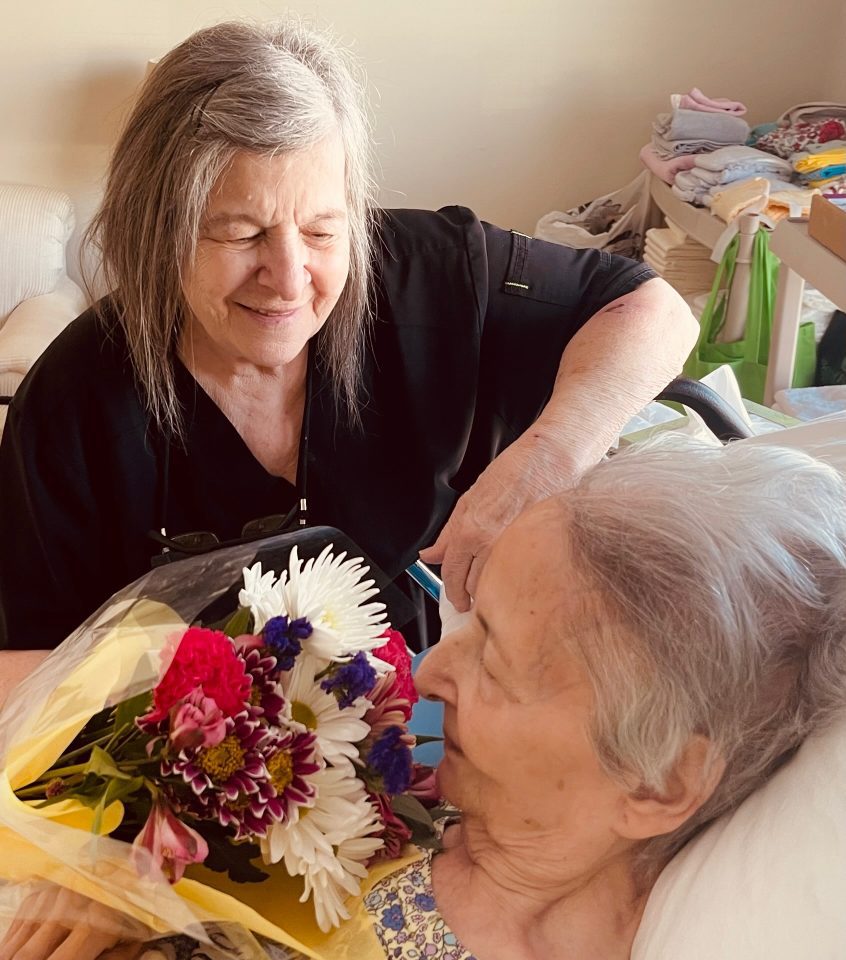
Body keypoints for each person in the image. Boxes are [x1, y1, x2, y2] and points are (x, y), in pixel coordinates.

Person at [1, 434, 846, 960]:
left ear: (657, 781)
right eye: (465, 617)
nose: (432, 668)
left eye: (496, 664)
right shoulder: (430, 760)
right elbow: (225, 794)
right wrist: (130, 872)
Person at [0, 18, 697, 685]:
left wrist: (546, 458)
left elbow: (652, 309)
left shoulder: (430, 273)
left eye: (323, 230)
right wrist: (189, 674)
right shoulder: (74, 403)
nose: (289, 277)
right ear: (155, 230)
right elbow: (24, 675)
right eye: (240, 234)